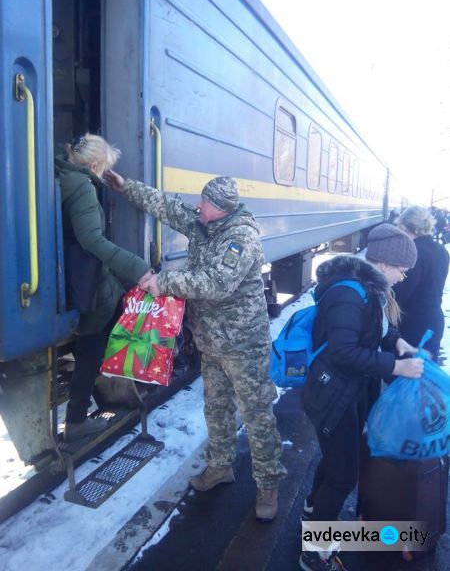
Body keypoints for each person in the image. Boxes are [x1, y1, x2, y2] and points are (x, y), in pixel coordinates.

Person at [103, 169, 287, 521]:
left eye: (204, 202)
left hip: (243, 343)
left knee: (256, 413)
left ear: (219, 208)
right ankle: (220, 466)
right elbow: (167, 208)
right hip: (212, 339)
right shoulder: (205, 222)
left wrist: (164, 282)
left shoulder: (240, 237)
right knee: (215, 406)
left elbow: (217, 283)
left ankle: (268, 485)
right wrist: (126, 186)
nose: (198, 206)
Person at [300, 224, 423, 571]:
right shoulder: (349, 293)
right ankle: (313, 554)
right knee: (343, 475)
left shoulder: (370, 290)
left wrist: (396, 341)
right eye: (403, 269)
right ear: (385, 263)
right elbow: (345, 352)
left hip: (349, 391)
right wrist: (397, 368)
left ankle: (313, 510)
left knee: (339, 459)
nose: (405, 276)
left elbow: (373, 330)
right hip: (333, 394)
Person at [55, 134, 150, 441]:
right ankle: (77, 420)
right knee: (93, 346)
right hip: (87, 280)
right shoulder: (83, 187)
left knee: (116, 311)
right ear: (95, 164)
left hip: (76, 275)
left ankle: (110, 382)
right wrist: (138, 269)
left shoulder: (61, 173)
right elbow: (92, 241)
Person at [394, 206, 449, 361]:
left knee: (406, 379)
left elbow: (402, 292)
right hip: (434, 321)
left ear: (404, 227)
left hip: (413, 325)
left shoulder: (412, 251)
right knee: (425, 379)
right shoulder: (441, 250)